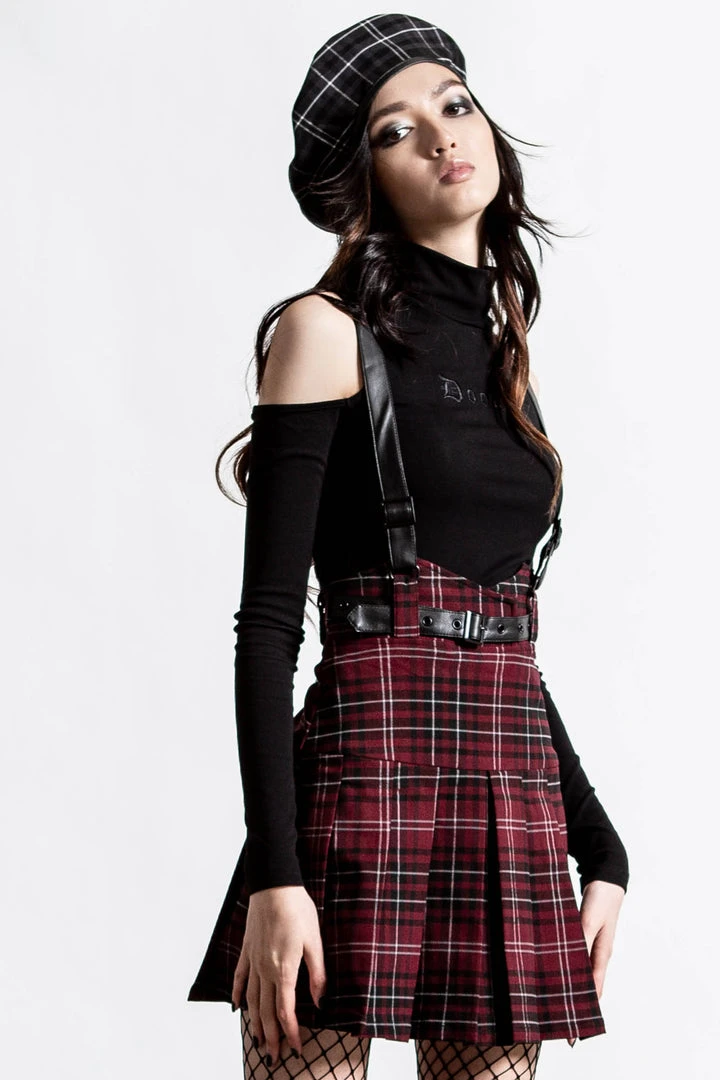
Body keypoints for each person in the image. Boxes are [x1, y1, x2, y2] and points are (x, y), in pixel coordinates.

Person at [187, 14, 629, 1080]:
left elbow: (498, 638)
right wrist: (276, 877)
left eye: (454, 105)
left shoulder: (502, 358)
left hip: (509, 801)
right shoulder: (324, 331)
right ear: (365, 180)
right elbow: (267, 629)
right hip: (361, 788)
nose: (440, 136)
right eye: (396, 129)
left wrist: (601, 842)